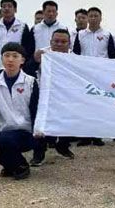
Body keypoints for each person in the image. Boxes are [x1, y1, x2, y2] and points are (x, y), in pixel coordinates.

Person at [0, 42, 39, 180]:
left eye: (15, 56)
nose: (10, 59)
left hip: (27, 132)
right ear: (2, 59)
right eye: (6, 56)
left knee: (4, 140)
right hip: (5, 131)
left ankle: (20, 165)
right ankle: (13, 165)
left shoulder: (31, 82)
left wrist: (39, 135)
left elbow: (36, 110)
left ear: (22, 60)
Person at [25, 29, 77, 163]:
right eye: (56, 41)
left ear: (69, 43)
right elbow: (27, 72)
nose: (59, 44)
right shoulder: (42, 53)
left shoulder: (75, 58)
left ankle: (63, 146)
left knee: (67, 121)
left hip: (65, 95)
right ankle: (39, 153)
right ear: (51, 41)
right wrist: (35, 61)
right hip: (43, 94)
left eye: (63, 42)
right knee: (40, 123)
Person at [72, 7, 115, 147]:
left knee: (99, 105)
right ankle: (84, 136)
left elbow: (112, 56)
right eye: (91, 16)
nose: (93, 18)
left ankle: (97, 135)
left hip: (101, 75)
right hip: (84, 75)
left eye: (96, 16)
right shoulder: (80, 35)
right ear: (87, 18)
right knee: (84, 105)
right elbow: (76, 54)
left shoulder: (107, 35)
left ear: (101, 18)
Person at [0, 0, 34, 78]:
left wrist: (24, 67)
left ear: (15, 10)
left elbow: (27, 49)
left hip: (16, 67)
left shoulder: (22, 26)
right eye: (4, 6)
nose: (6, 8)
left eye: (9, 6)